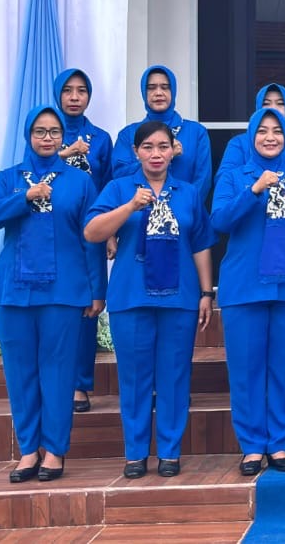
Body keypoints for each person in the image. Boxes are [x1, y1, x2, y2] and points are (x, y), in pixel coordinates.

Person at [0, 106, 103, 484]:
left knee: (58, 373)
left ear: (63, 136)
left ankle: (55, 450)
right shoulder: (9, 178)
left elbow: (91, 239)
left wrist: (97, 290)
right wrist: (24, 197)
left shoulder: (79, 182)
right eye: (40, 131)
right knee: (20, 373)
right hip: (14, 292)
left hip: (63, 292)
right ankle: (29, 449)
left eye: (54, 131)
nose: (47, 138)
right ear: (28, 136)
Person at [85, 121, 215, 479]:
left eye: (163, 146)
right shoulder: (119, 187)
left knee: (175, 376)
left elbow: (201, 244)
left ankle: (170, 451)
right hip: (132, 297)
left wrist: (206, 293)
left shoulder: (188, 192)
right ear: (136, 152)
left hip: (179, 297)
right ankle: (136, 453)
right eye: (148, 147)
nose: (156, 154)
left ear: (174, 151)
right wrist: (129, 207)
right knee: (134, 378)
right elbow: (92, 231)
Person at [210, 107, 285, 476]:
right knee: (246, 371)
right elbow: (219, 221)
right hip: (244, 286)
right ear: (250, 136)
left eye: (277, 131)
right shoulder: (234, 175)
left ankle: (279, 443)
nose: (270, 137)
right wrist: (254, 190)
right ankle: (251, 446)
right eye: (262, 131)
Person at [52, 68, 113, 416]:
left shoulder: (101, 138)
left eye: (81, 91)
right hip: (53, 229)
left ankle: (79, 384)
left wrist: (110, 233)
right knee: (56, 306)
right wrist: (65, 152)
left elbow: (108, 186)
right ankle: (54, 381)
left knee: (89, 306)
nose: (75, 97)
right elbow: (30, 167)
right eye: (68, 90)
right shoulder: (46, 131)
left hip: (90, 229)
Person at [111, 66, 213, 202]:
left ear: (173, 91)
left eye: (165, 87)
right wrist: (160, 156)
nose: (158, 93)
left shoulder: (196, 132)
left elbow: (203, 180)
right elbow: (120, 176)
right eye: (151, 88)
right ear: (144, 92)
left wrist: (184, 207)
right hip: (139, 210)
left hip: (185, 211)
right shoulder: (128, 134)